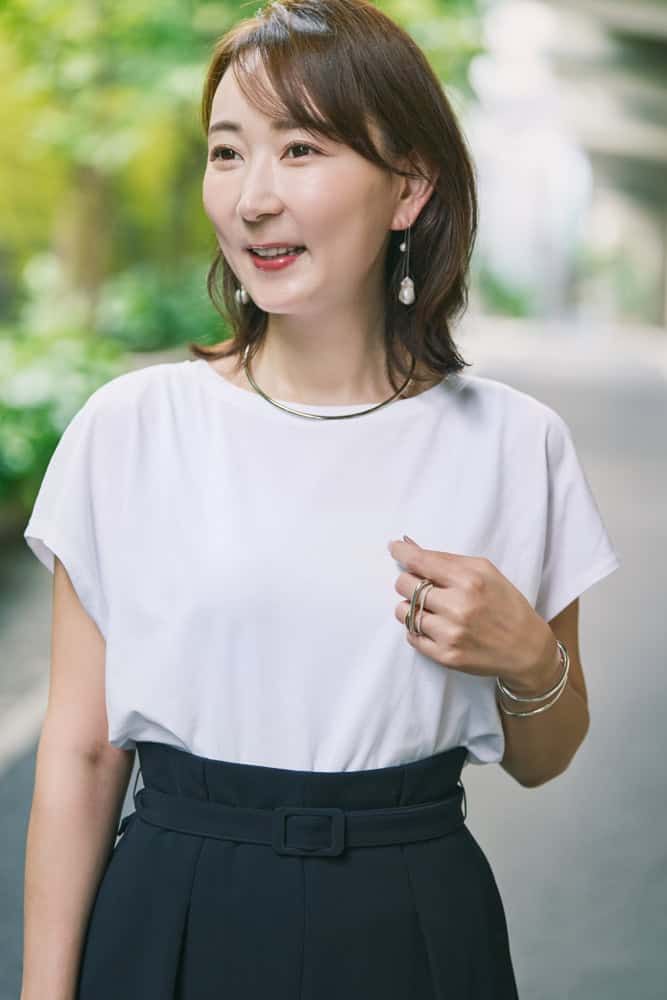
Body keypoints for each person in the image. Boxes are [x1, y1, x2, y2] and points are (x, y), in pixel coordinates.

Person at [20, 1, 621, 998]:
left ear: (409, 187)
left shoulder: (516, 443)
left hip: (413, 917)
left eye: (299, 149)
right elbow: (82, 754)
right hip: (171, 911)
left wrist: (526, 653)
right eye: (227, 152)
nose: (252, 198)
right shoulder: (132, 427)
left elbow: (543, 759)